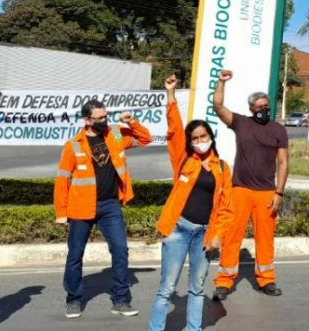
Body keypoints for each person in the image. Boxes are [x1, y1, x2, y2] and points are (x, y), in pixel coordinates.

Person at [149, 75, 234, 331]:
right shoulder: (184, 160)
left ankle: (193, 329)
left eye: (203, 136)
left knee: (197, 289)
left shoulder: (222, 167)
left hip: (204, 236)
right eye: (194, 138)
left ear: (211, 136)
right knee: (167, 288)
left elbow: (226, 208)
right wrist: (171, 95)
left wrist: (218, 235)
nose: (199, 141)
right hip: (178, 230)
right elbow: (174, 128)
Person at [54, 98, 152, 319]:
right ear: (87, 120)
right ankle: (74, 299)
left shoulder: (114, 134)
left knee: (120, 251)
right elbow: (62, 180)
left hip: (110, 205)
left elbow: (145, 139)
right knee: (75, 255)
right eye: (99, 118)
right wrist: (61, 212)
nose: (104, 121)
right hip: (81, 208)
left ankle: (120, 300)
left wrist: (132, 121)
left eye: (106, 116)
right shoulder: (74, 145)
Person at [211, 70, 289, 299]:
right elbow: (218, 106)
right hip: (240, 190)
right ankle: (224, 283)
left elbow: (283, 162)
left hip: (267, 193)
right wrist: (221, 82)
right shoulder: (241, 123)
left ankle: (267, 280)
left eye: (266, 105)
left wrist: (279, 192)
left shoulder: (278, 129)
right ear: (251, 109)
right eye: (259, 107)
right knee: (232, 236)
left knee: (265, 239)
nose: (264, 109)